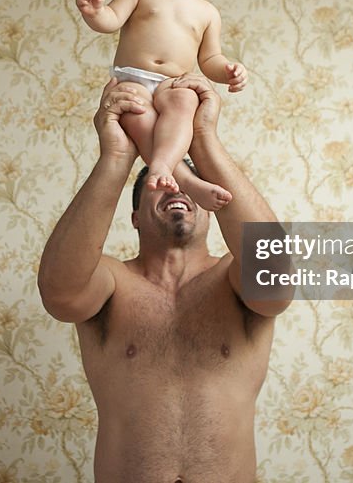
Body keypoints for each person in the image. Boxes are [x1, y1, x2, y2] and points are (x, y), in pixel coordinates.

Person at [38, 74, 293, 483]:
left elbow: (276, 280)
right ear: (136, 216)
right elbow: (59, 295)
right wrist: (117, 157)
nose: (176, 186)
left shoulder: (234, 277)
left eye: (189, 183)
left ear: (212, 209)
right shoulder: (110, 280)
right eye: (161, 184)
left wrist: (202, 137)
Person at [76, 0, 247, 213]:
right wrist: (96, 11)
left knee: (186, 103)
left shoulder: (208, 13)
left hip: (172, 84)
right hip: (133, 79)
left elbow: (210, 60)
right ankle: (181, 177)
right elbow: (111, 20)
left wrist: (229, 71)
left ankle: (164, 166)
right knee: (138, 114)